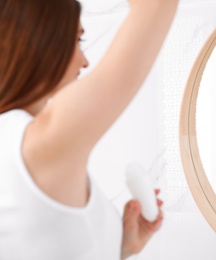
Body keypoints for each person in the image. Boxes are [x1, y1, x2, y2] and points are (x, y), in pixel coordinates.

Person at [0, 0, 178, 259]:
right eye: (78, 41)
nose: (85, 62)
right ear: (40, 41)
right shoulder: (38, 144)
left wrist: (121, 247)